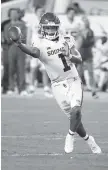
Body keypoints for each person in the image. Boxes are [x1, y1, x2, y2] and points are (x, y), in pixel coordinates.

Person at [9, 12, 101, 154]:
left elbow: (79, 59)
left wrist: (69, 55)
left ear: (57, 27)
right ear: (43, 28)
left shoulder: (67, 39)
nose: (51, 30)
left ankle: (69, 136)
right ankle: (89, 140)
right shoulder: (40, 42)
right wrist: (20, 45)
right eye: (48, 28)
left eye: (53, 28)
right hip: (57, 85)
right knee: (75, 119)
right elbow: (34, 52)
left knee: (76, 110)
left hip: (73, 80)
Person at [23, 5, 53, 97]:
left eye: (42, 11)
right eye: (39, 11)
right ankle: (31, 88)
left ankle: (46, 89)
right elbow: (29, 36)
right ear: (36, 12)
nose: (41, 13)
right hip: (34, 48)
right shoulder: (32, 21)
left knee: (45, 69)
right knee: (33, 68)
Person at [4, 8, 27, 95]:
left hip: (21, 48)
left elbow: (23, 37)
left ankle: (22, 88)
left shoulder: (23, 25)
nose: (13, 15)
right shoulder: (6, 26)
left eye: (15, 13)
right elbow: (7, 38)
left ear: (18, 15)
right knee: (11, 68)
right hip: (11, 48)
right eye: (12, 13)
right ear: (9, 15)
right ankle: (11, 87)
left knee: (21, 69)